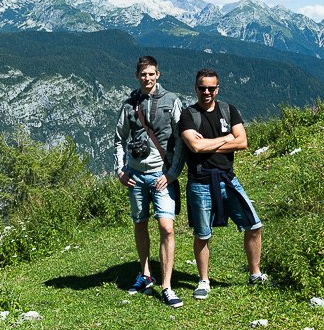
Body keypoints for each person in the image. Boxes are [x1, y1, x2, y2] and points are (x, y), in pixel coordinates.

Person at [179, 68, 266, 300]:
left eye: (210, 88)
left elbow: (243, 142)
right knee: (202, 234)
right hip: (200, 182)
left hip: (228, 179)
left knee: (254, 225)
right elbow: (195, 147)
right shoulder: (188, 115)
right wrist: (227, 139)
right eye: (201, 87)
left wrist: (209, 143)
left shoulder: (229, 110)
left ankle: (255, 274)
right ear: (195, 88)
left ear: (217, 89)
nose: (206, 92)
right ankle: (203, 281)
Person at [114, 56, 186, 308]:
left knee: (166, 227)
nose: (147, 78)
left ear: (158, 74)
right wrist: (120, 171)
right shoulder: (128, 105)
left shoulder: (172, 101)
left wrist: (172, 174)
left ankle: (166, 286)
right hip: (135, 175)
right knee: (140, 223)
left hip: (161, 176)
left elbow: (182, 140)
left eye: (151, 74)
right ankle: (145, 275)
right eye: (143, 74)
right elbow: (118, 139)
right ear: (137, 75)